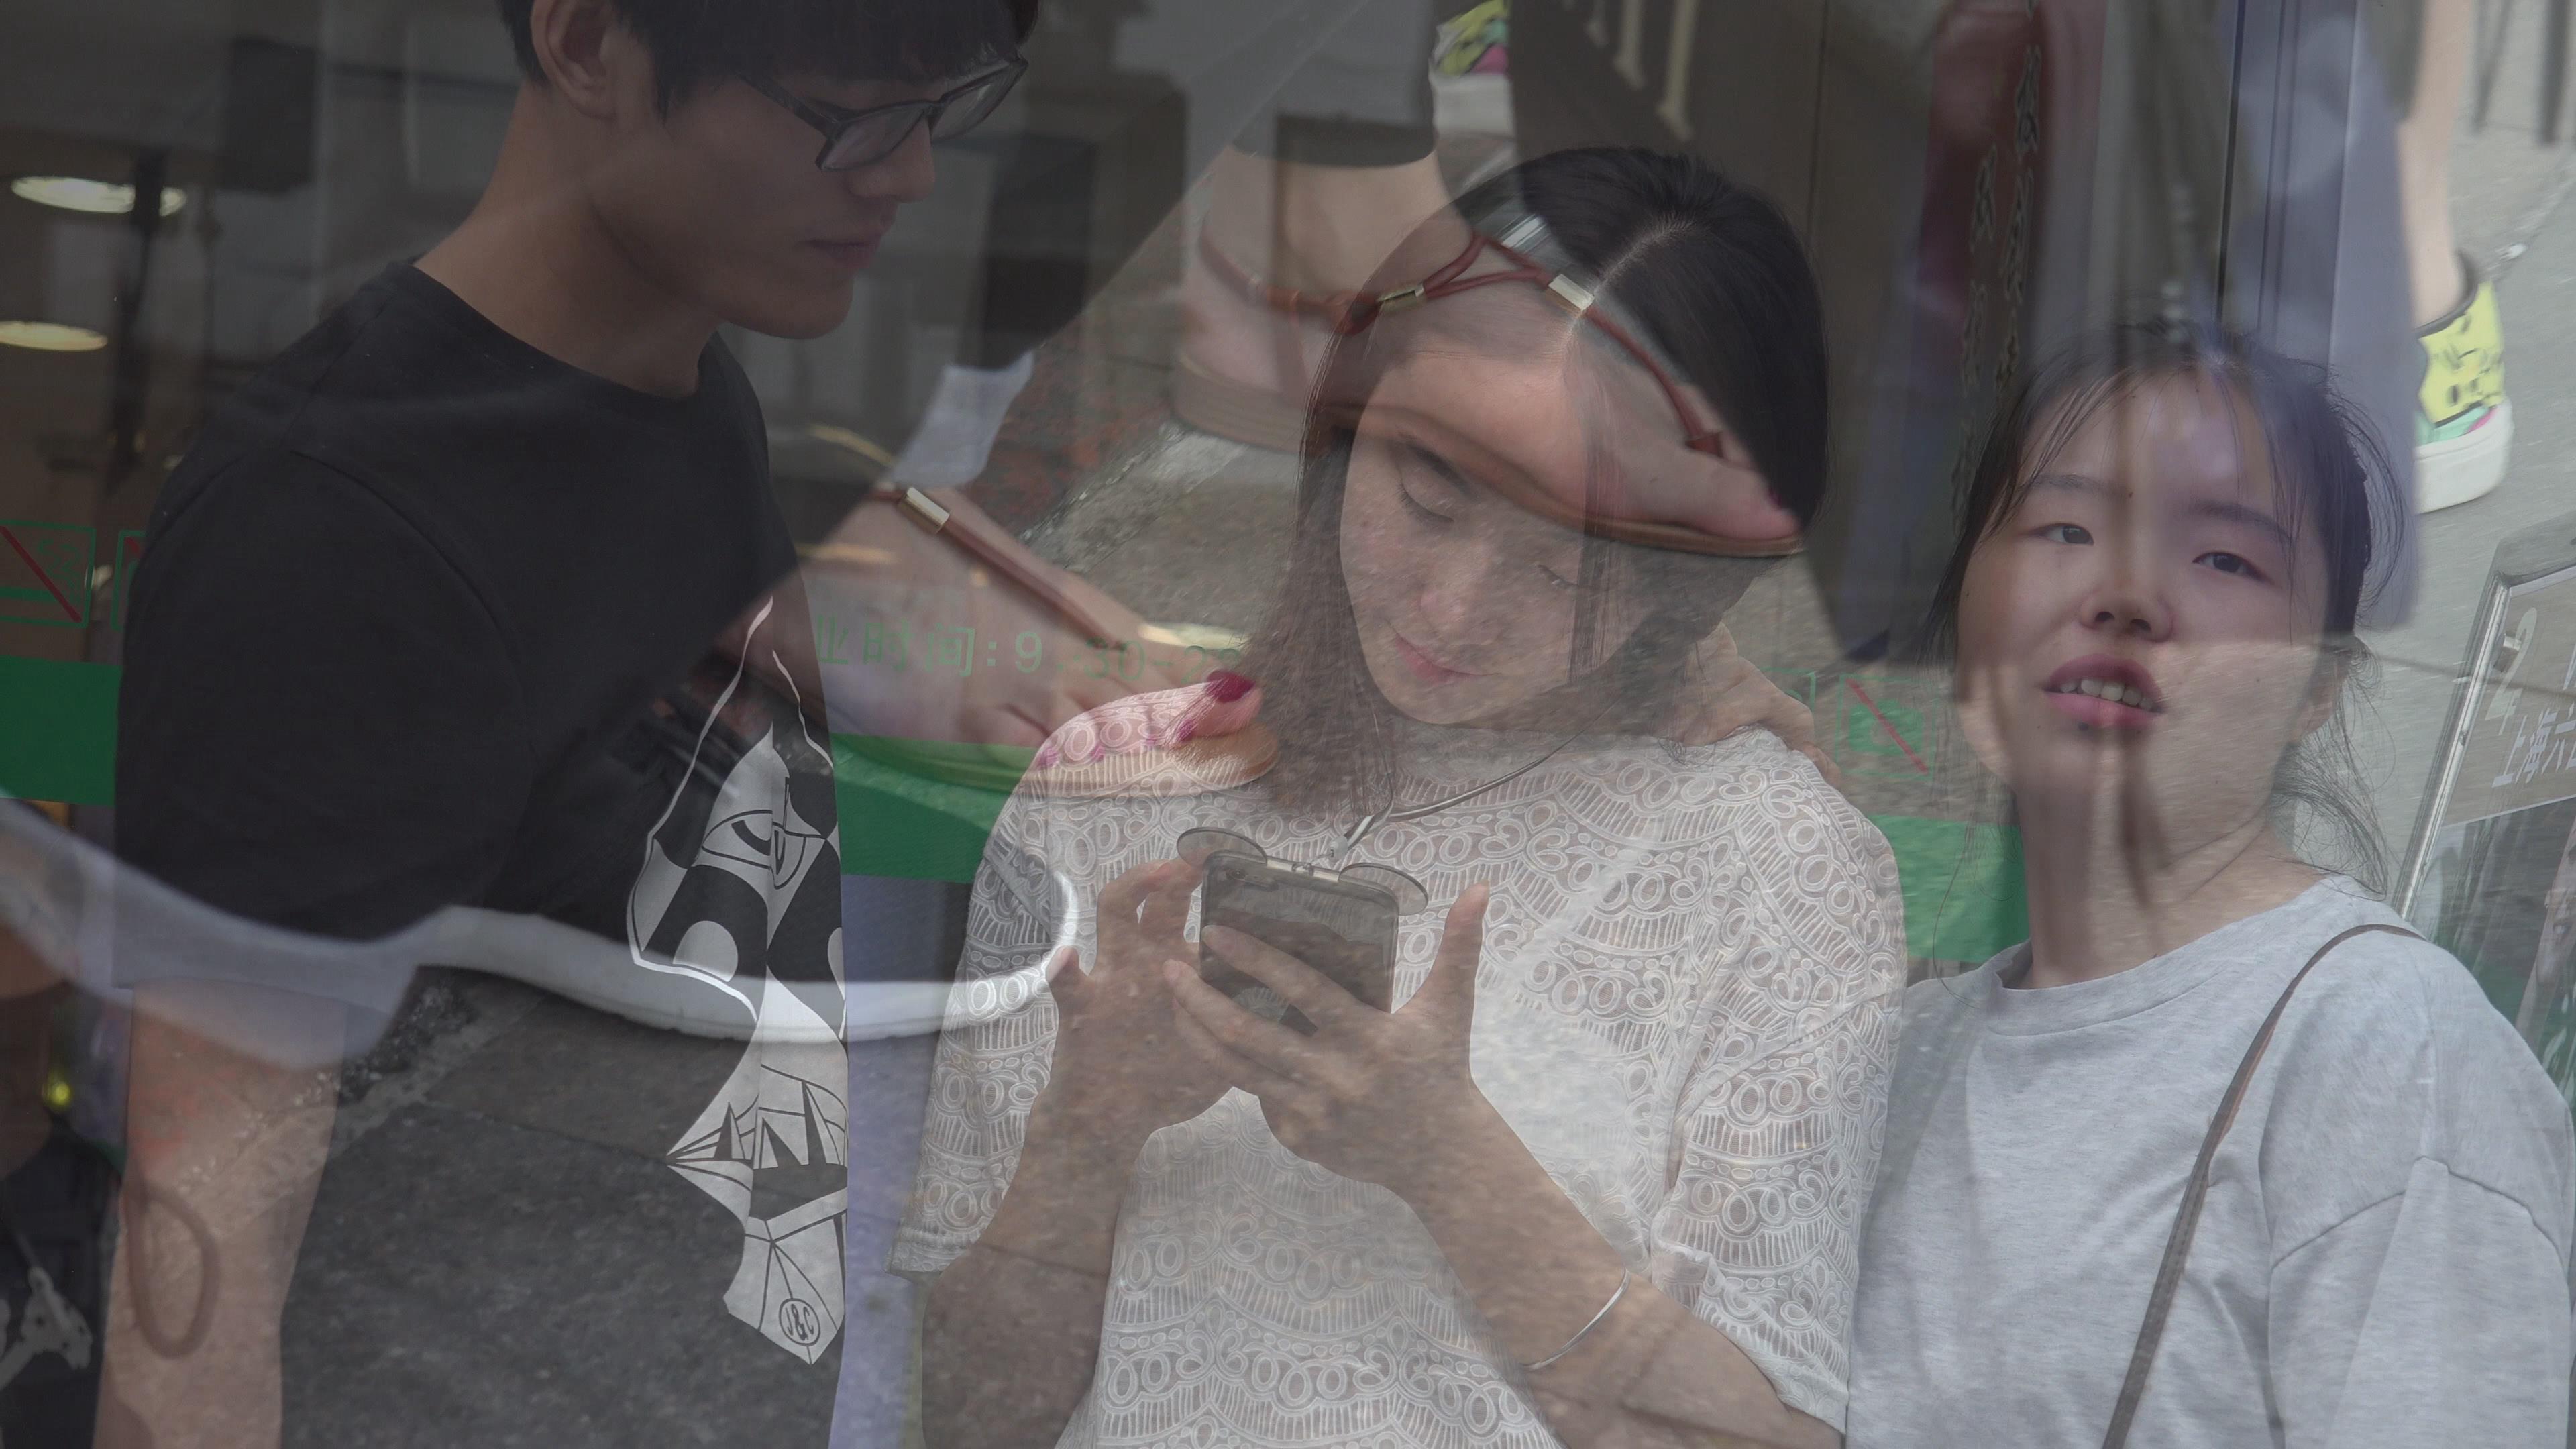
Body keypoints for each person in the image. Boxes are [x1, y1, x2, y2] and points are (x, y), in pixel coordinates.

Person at [103, 0, 1022, 1442]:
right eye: (850, 118)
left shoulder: (672, 380)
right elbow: (200, 1243)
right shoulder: (330, 541)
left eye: (938, 109)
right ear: (589, 43)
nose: (908, 174)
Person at [892, 147, 1907, 1448]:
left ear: (1688, 581)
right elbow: (959, 1413)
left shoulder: (1778, 864)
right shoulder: (1115, 783)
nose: (1456, 609)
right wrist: (1089, 1128)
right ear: (1341, 438)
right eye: (1426, 500)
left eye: (1567, 569)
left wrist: (1449, 1166)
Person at [1846, 324, 2575, 1446]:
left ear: (2319, 688)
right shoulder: (1901, 1051)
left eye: (2225, 559)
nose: (2125, 596)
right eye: (2065, 529)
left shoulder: (2386, 1047)